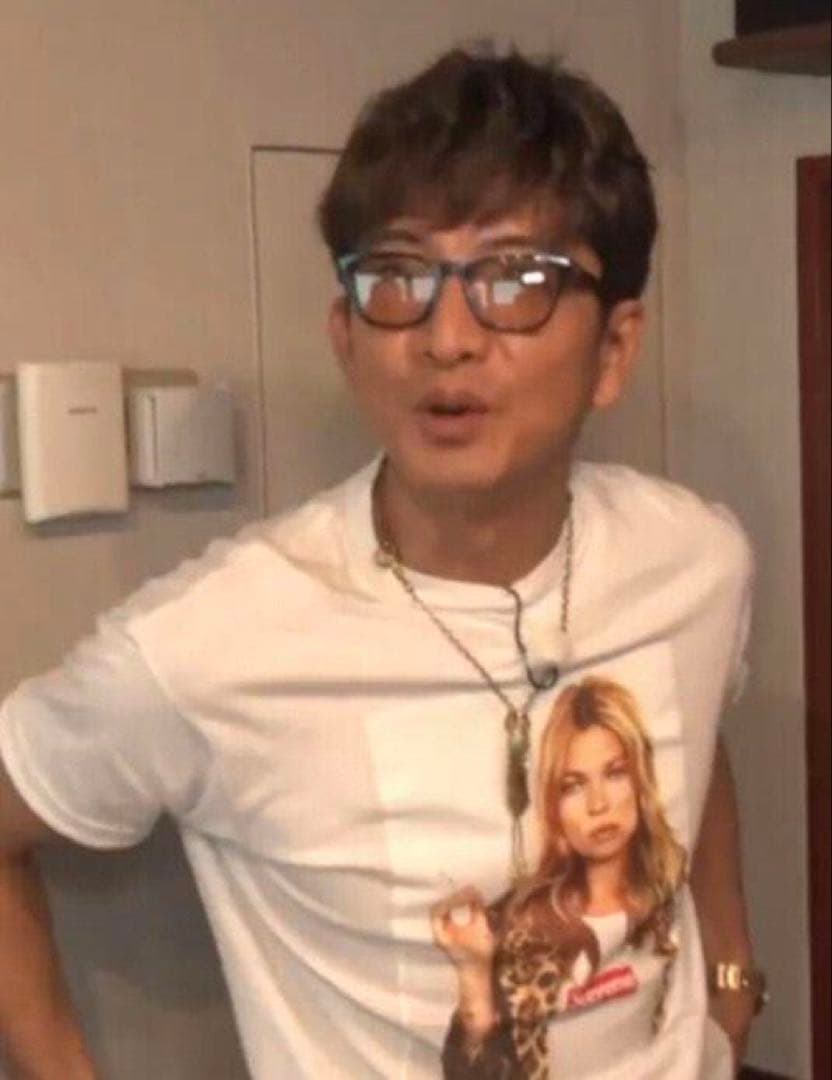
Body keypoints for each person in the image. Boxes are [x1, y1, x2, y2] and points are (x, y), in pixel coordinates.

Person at [0, 45, 763, 1080]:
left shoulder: (695, 560)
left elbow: (694, 728)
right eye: (397, 278)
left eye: (514, 281)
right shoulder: (213, 642)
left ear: (615, 350)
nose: (446, 338)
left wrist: (731, 981)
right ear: (346, 336)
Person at [432, 676, 688, 1078]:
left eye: (615, 773)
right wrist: (474, 974)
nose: (598, 804)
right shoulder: (516, 925)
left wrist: (735, 993)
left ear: (641, 779)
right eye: (573, 786)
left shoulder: (666, 888)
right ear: (554, 804)